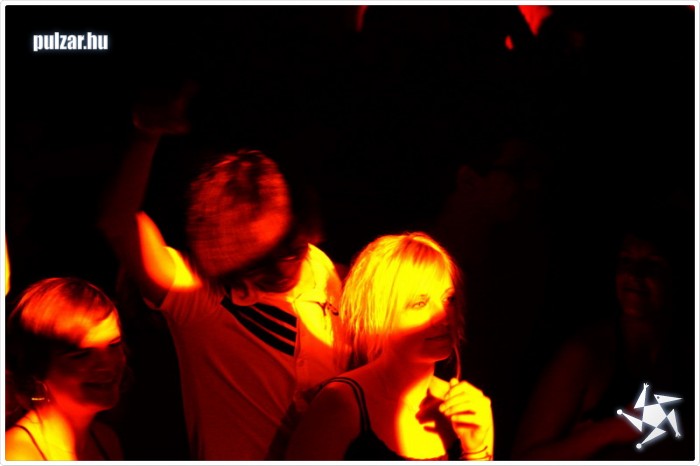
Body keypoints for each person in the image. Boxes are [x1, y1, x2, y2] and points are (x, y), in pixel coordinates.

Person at [97, 84, 342, 460]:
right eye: (265, 257)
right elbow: (118, 223)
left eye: (292, 249)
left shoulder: (322, 269)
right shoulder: (200, 296)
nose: (284, 263)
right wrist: (146, 136)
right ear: (230, 247)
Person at [512, 200, 695, 460]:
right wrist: (611, 430)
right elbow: (523, 459)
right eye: (626, 260)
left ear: (678, 274)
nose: (634, 274)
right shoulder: (585, 353)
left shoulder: (687, 354)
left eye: (652, 264)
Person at [286, 232, 494, 460]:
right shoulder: (342, 402)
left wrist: (476, 449)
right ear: (378, 314)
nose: (444, 316)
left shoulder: (466, 406)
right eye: (420, 303)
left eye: (449, 298)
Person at [5, 277, 126, 461]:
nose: (107, 364)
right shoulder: (16, 456)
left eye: (114, 345)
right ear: (39, 367)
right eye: (82, 354)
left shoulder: (106, 440)